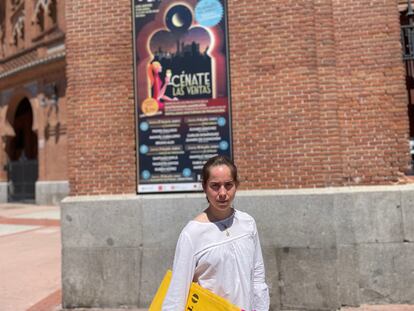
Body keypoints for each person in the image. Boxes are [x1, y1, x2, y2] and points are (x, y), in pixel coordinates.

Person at [162, 155, 270, 311]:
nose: (222, 192)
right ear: (204, 187)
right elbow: (178, 292)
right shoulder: (192, 233)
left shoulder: (248, 223)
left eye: (228, 185)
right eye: (215, 185)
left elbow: (257, 276)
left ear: (236, 185)